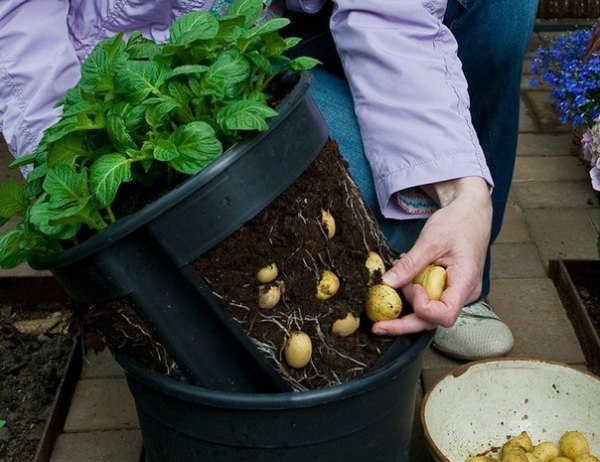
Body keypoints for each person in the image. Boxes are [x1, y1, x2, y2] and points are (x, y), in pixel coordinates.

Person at [0, 0, 538, 360]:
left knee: (501, 9)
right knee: (357, 204)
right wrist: (69, 163)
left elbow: (390, 12)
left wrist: (460, 189)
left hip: (273, 24)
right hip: (149, 55)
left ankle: (456, 274)